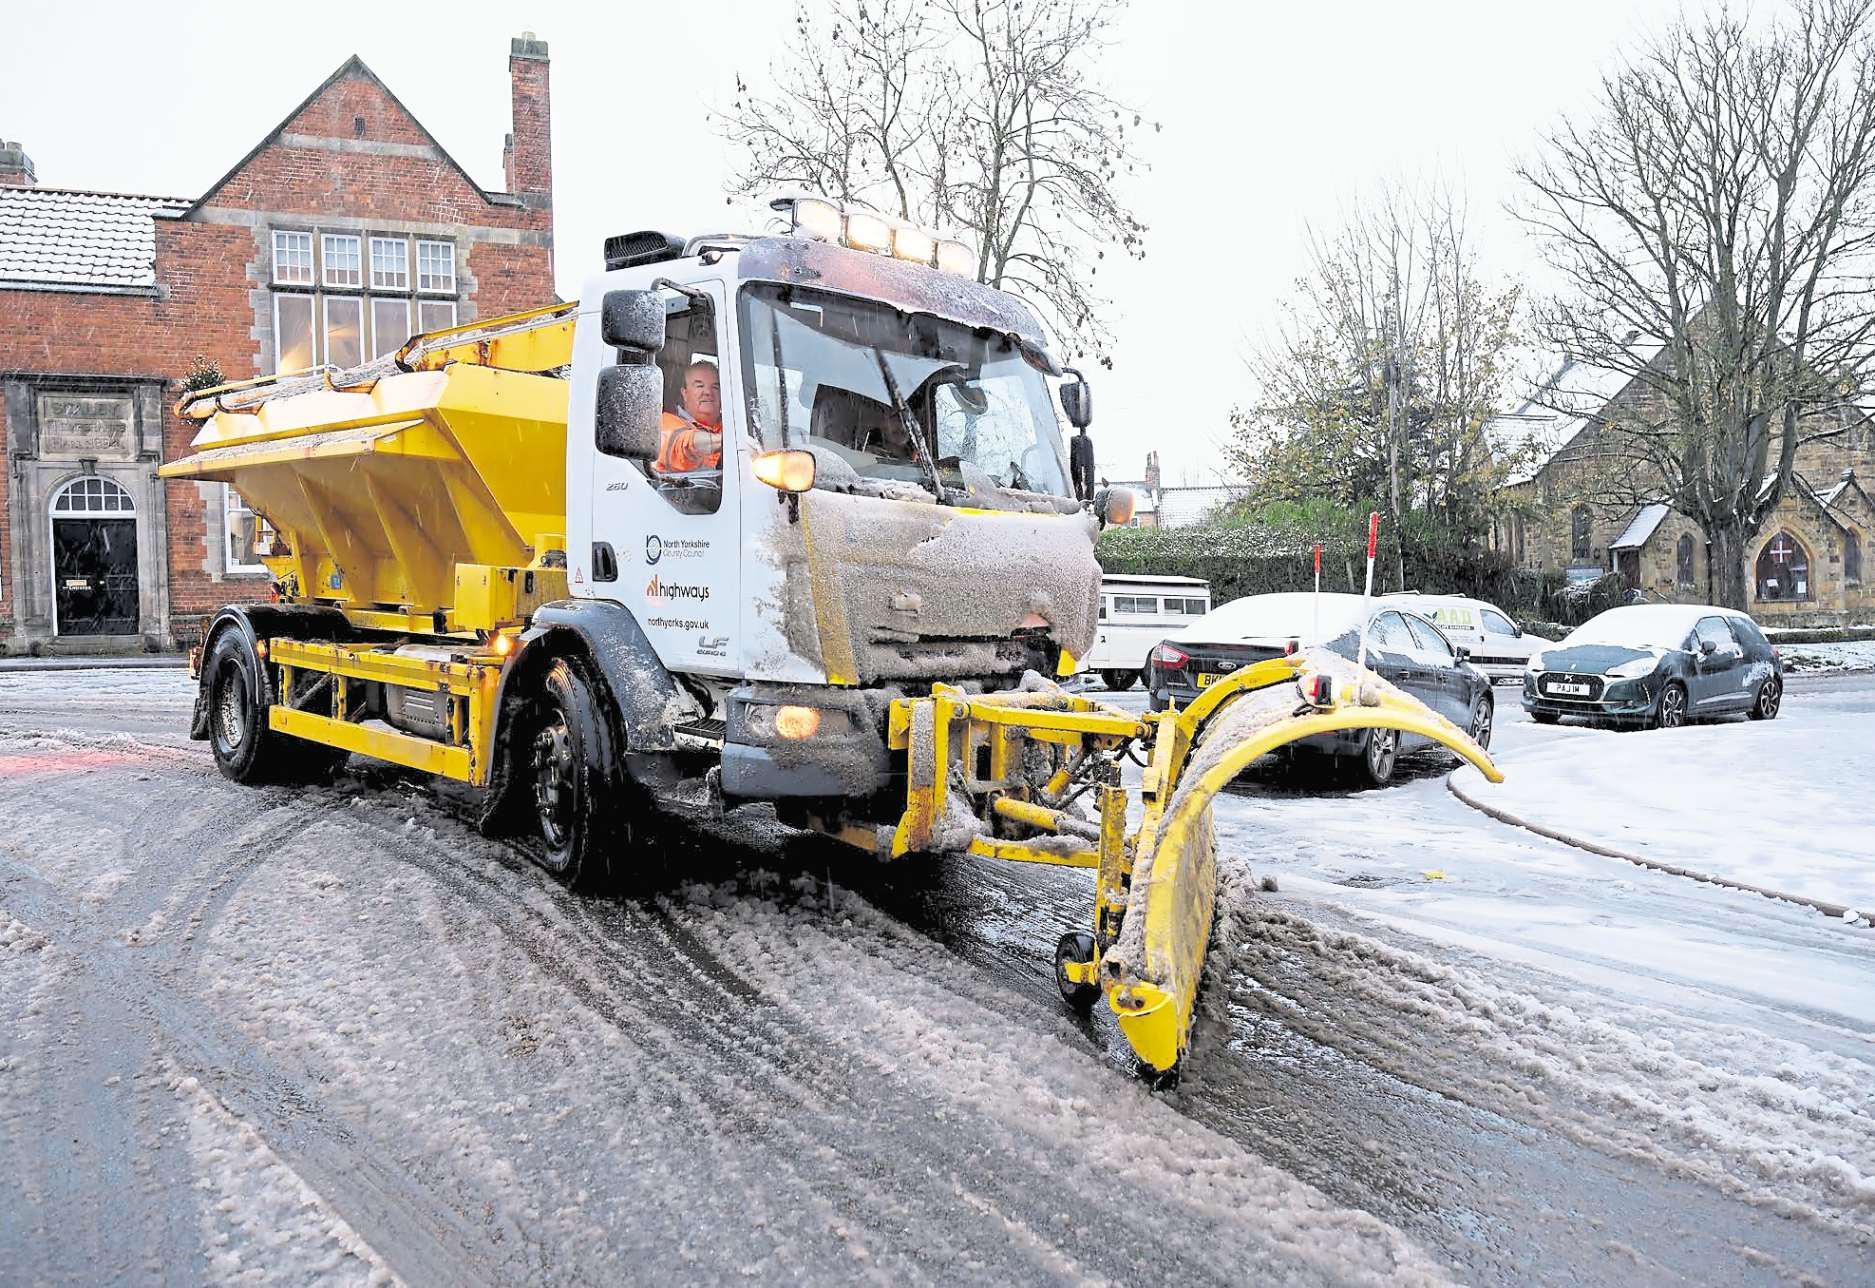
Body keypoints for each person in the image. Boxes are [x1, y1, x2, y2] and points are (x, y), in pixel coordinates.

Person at [657, 359, 723, 473]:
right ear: (685, 393)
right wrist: (724, 441)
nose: (708, 392)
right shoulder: (665, 422)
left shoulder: (733, 424)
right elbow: (682, 446)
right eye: (699, 386)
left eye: (715, 387)